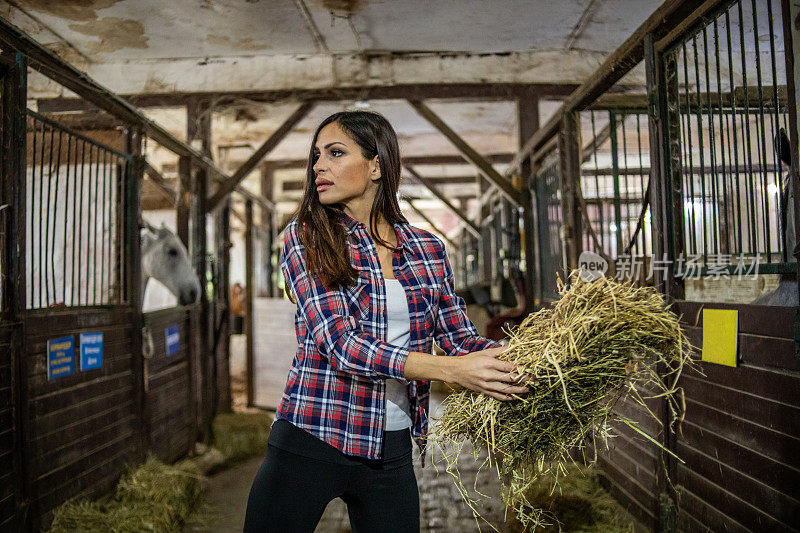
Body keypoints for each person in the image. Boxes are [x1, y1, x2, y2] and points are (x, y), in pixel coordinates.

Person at [243, 110, 527, 532]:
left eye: (335, 153)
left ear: (376, 165)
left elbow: (459, 339)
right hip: (314, 433)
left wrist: (525, 357)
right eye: (316, 156)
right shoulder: (307, 237)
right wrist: (452, 370)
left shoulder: (427, 249)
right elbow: (342, 344)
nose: (319, 165)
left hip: (390, 443)